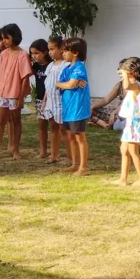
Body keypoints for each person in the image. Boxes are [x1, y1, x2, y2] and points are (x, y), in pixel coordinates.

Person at [0, 23, 33, 160]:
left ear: (14, 37)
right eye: (2, 38)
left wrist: (21, 98)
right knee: (1, 121)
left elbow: (25, 78)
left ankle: (16, 150)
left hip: (15, 93)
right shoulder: (4, 54)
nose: (3, 41)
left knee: (16, 121)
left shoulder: (22, 55)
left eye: (6, 38)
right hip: (2, 92)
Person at [114, 57, 140, 187]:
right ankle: (123, 179)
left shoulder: (138, 85)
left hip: (136, 123)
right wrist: (125, 74)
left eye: (124, 70)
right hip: (132, 122)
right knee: (124, 149)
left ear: (133, 71)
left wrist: (125, 76)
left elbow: (127, 86)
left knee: (133, 151)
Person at [57, 37, 91, 176]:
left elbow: (69, 85)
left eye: (65, 51)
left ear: (75, 52)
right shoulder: (66, 69)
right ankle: (75, 164)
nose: (63, 53)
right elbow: (62, 84)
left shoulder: (80, 67)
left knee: (79, 136)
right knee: (71, 136)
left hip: (77, 108)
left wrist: (67, 84)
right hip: (68, 108)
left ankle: (83, 167)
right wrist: (63, 84)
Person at [42, 36, 72, 164]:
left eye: (52, 49)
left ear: (61, 49)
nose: (50, 52)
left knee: (64, 129)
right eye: (49, 49)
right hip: (51, 102)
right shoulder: (50, 66)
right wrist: (45, 100)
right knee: (53, 127)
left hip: (61, 102)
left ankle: (71, 156)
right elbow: (48, 85)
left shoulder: (66, 65)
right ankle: (54, 154)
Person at [30, 39, 51, 159]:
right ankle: (43, 150)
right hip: (39, 99)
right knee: (42, 125)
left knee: (54, 126)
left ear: (45, 52)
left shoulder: (51, 65)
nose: (34, 56)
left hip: (51, 99)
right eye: (32, 53)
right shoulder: (36, 66)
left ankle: (54, 150)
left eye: (36, 53)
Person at [90, 60, 127, 130]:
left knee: (120, 120)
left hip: (126, 114)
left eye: (122, 69)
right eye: (118, 69)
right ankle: (104, 124)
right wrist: (92, 107)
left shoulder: (134, 86)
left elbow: (127, 105)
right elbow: (106, 99)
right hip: (117, 112)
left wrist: (113, 113)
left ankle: (102, 123)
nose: (119, 71)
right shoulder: (119, 85)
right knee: (90, 110)